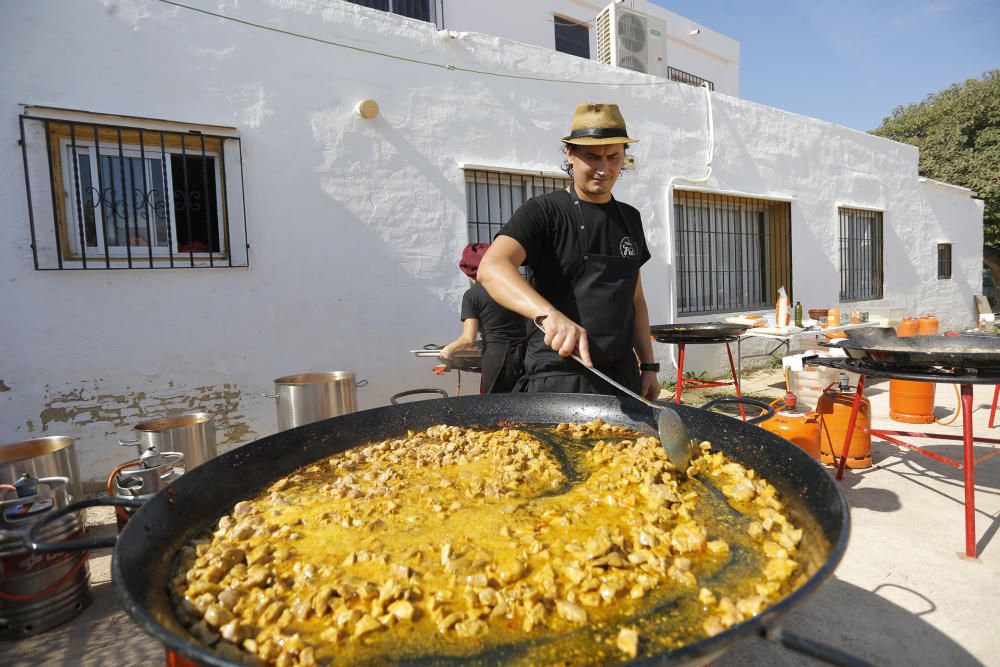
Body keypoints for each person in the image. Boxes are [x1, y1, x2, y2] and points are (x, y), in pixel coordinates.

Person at [476, 103, 660, 399]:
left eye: (614, 157)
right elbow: (492, 267)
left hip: (622, 375)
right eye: (592, 157)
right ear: (570, 154)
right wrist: (547, 314)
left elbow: (636, 299)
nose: (604, 168)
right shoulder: (543, 211)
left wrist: (648, 366)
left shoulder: (631, 218)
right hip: (559, 375)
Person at [440, 243, 527, 393]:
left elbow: (468, 338)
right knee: (523, 407)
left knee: (494, 407)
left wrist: (448, 349)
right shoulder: (518, 287)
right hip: (527, 355)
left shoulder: (472, 295)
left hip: (498, 358)